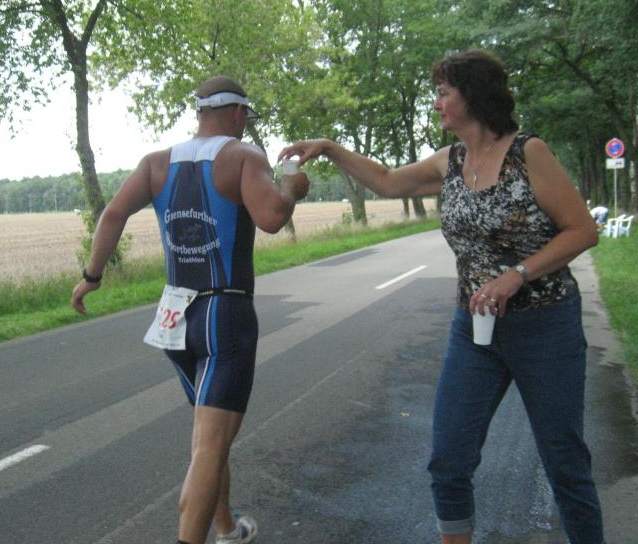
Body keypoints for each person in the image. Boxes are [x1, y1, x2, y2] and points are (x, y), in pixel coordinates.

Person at [279, 50, 605, 544]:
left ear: (472, 95)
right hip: (474, 329)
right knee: (448, 461)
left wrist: (517, 274)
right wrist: (329, 148)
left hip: (545, 326)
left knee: (564, 462)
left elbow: (582, 230)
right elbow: (387, 181)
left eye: (442, 93)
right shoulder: (448, 161)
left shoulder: (528, 154)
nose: (436, 103)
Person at [71, 75, 309, 544]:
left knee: (208, 438)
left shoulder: (155, 163)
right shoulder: (244, 157)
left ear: (200, 113)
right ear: (238, 113)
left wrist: (92, 276)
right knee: (209, 445)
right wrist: (291, 187)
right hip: (226, 313)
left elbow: (113, 213)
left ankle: (227, 528)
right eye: (246, 117)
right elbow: (271, 218)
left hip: (176, 316)